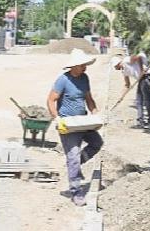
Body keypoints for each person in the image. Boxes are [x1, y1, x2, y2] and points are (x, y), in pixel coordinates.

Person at [47, 48, 103, 207]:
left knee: (97, 143)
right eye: (82, 65)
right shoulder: (62, 80)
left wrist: (94, 112)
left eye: (85, 65)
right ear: (73, 66)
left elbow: (88, 98)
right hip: (67, 125)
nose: (85, 67)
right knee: (72, 156)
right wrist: (57, 119)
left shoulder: (84, 78)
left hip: (83, 121)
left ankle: (76, 164)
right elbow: (51, 100)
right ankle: (76, 192)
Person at [113, 51, 150, 128]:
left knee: (146, 100)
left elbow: (138, 57)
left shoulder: (126, 60)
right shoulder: (124, 71)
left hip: (145, 77)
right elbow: (127, 85)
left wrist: (141, 71)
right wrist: (121, 96)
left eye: (116, 67)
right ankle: (140, 121)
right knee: (139, 101)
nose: (116, 69)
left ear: (117, 64)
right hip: (141, 80)